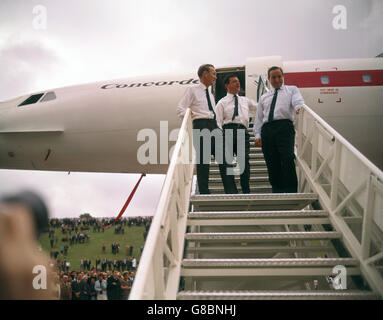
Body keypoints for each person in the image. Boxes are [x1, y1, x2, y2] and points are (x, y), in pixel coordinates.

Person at [177, 64, 226, 194]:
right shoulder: (192, 89)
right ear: (205, 74)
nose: (215, 77)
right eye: (214, 74)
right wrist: (189, 114)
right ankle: (204, 191)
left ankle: (230, 189)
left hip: (213, 125)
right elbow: (180, 108)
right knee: (204, 161)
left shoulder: (210, 93)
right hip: (201, 124)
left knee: (224, 159)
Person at [254, 66, 304, 193]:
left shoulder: (291, 90)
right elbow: (259, 118)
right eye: (273, 77)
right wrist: (257, 135)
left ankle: (291, 190)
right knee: (272, 162)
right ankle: (277, 190)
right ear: (269, 79)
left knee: (287, 158)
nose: (277, 80)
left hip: (284, 127)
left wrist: (299, 107)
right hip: (267, 130)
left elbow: (298, 101)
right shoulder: (264, 97)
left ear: (283, 77)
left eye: (279, 76)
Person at [216, 74, 257, 194]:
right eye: (234, 82)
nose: (238, 83)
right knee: (227, 163)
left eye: (238, 81)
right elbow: (218, 121)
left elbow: (260, 108)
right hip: (227, 131)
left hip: (242, 132)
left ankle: (246, 190)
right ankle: (231, 191)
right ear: (227, 85)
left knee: (244, 161)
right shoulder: (221, 103)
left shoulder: (245, 100)